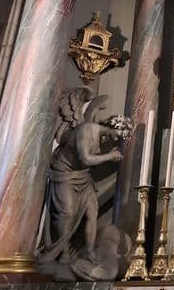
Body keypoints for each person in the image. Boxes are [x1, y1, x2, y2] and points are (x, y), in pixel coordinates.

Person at [39, 93, 132, 266]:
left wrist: (109, 155)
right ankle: (63, 253)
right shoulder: (86, 129)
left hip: (83, 176)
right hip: (65, 174)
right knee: (67, 213)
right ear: (115, 126)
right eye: (121, 134)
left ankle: (89, 252)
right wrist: (109, 156)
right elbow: (86, 159)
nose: (120, 138)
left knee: (92, 212)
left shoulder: (101, 136)